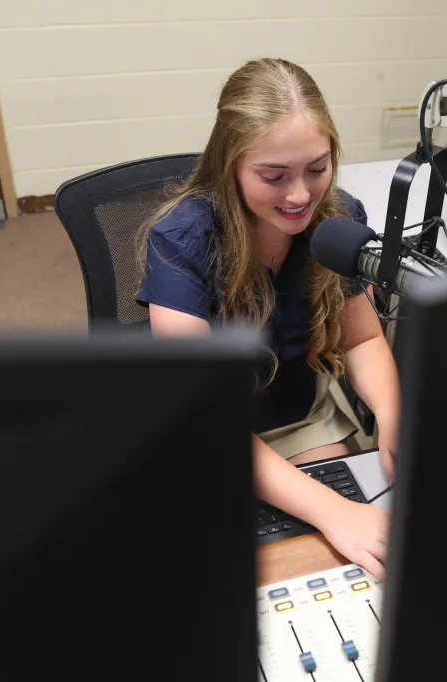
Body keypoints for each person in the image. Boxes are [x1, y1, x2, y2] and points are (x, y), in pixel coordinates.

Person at [135, 58, 399, 577]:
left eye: (317, 169)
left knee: (324, 559)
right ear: (229, 166)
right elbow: (206, 414)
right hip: (212, 428)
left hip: (300, 414)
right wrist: (333, 510)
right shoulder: (181, 241)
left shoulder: (338, 220)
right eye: (274, 177)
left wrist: (392, 415)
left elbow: (363, 338)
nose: (300, 194)